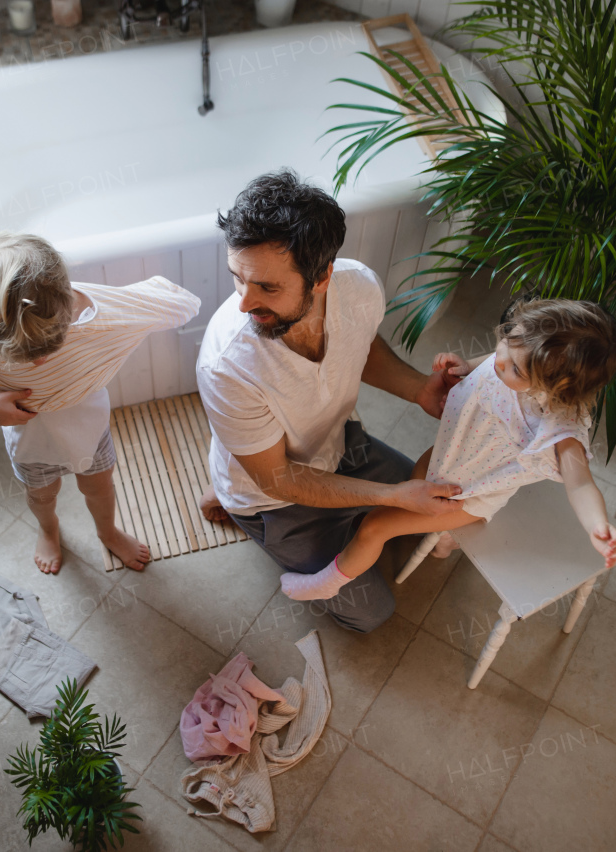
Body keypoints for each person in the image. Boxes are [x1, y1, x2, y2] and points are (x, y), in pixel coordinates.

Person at [195, 169, 468, 634]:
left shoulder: (358, 286)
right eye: (237, 279)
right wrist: (390, 497)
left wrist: (419, 388)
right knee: (373, 612)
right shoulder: (226, 366)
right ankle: (233, 501)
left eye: (267, 287)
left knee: (439, 510)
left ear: (322, 277)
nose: (243, 302)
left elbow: (362, 346)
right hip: (272, 495)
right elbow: (278, 478)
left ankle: (343, 512)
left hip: (341, 445)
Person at [279, 298, 616, 601]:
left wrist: (597, 525)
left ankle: (327, 583)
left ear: (556, 389)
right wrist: (467, 366)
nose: (501, 359)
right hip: (450, 455)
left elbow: (580, 481)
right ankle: (446, 540)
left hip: (466, 496)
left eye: (515, 367)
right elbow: (493, 361)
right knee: (418, 477)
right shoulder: (517, 357)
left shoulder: (558, 430)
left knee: (375, 526)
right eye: (508, 339)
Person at [0, 231, 200, 574]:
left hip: (89, 428)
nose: (39, 362)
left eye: (49, 347)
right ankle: (48, 529)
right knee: (41, 496)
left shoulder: (99, 315)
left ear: (66, 305)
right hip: (31, 438)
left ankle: (107, 531)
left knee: (99, 486)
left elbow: (175, 303)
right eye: (24, 354)